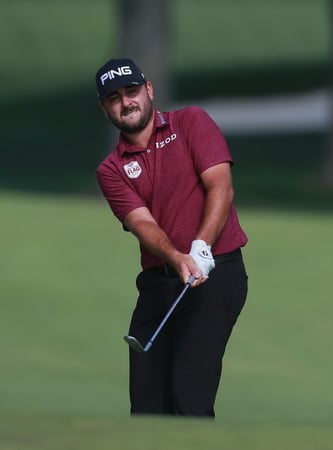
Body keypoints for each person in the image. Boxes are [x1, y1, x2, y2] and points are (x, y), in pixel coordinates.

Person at [94, 58, 249, 417]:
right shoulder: (111, 169)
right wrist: (178, 258)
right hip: (159, 282)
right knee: (147, 406)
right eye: (114, 98)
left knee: (188, 399)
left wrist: (200, 247)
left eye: (131, 91)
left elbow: (221, 187)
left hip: (217, 273)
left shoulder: (192, 121)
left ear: (148, 90)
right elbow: (142, 223)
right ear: (104, 108)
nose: (125, 102)